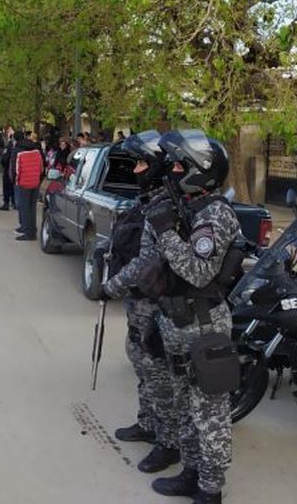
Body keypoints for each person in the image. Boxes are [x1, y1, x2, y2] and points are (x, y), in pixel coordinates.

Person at [143, 130, 240, 504]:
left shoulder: (215, 214)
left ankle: (210, 489)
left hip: (204, 325)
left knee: (210, 412)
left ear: (201, 171)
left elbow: (199, 273)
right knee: (185, 405)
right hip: (177, 321)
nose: (173, 170)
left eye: (181, 164)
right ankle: (190, 472)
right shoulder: (190, 208)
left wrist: (167, 233)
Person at [101, 130, 181, 474]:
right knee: (141, 363)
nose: (136, 170)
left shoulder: (166, 206)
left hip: (155, 301)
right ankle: (148, 423)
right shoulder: (149, 199)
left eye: (143, 163)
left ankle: (169, 443)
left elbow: (148, 260)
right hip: (139, 301)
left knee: (159, 374)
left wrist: (112, 285)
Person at [13, 131, 44, 241]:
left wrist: (16, 182)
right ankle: (33, 230)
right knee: (32, 207)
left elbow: (16, 170)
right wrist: (39, 180)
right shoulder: (37, 153)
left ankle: (27, 231)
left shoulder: (19, 154)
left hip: (24, 184)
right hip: (35, 183)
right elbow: (41, 168)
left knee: (24, 207)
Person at [0, 130, 16, 211]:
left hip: (8, 168)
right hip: (18, 170)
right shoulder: (24, 147)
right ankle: (14, 202)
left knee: (7, 186)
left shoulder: (9, 146)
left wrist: (3, 164)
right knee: (14, 186)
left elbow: (4, 158)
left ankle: (6, 203)